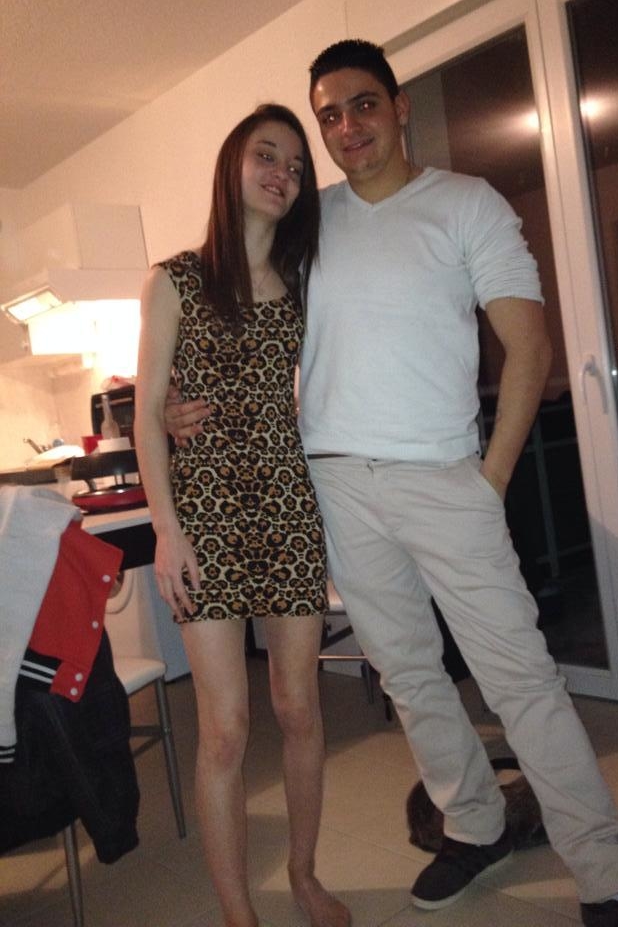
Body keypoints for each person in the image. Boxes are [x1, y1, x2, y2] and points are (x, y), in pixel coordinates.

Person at [166, 43, 618, 927]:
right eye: (328, 115)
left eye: (363, 105)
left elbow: (529, 345)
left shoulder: (466, 203)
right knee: (409, 674)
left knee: (520, 679)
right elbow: (234, 319)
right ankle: (474, 823)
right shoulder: (308, 225)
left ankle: (609, 876)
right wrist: (173, 401)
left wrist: (490, 480)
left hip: (445, 479)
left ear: (400, 106)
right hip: (336, 485)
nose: (346, 127)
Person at [134, 104, 350, 927]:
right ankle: (237, 913)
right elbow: (146, 412)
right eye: (268, 155)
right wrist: (166, 529)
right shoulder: (175, 279)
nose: (282, 174)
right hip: (206, 518)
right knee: (224, 727)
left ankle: (303, 875)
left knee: (298, 706)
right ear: (233, 164)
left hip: (289, 508)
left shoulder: (304, 283)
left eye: (295, 166)